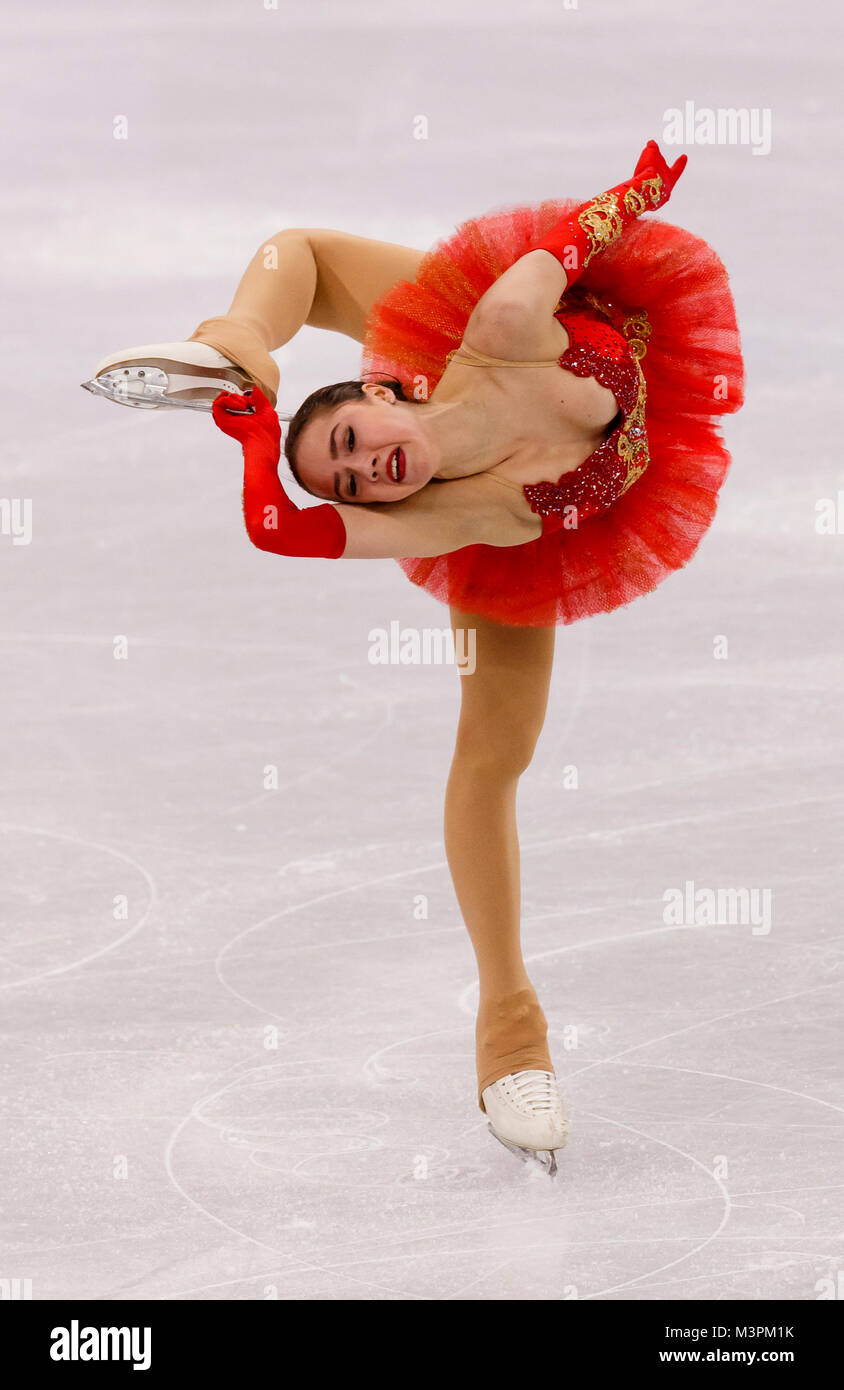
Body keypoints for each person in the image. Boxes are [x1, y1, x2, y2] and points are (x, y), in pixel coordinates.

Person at [82, 140, 744, 1175]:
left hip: (555, 347)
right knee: (494, 758)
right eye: (349, 483)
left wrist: (643, 184)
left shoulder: (495, 327)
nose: (363, 472)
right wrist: (260, 446)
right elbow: (284, 528)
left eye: (350, 445)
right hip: (517, 508)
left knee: (309, 252)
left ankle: (240, 345)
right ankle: (510, 1032)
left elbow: (580, 233)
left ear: (378, 393)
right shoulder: (447, 515)